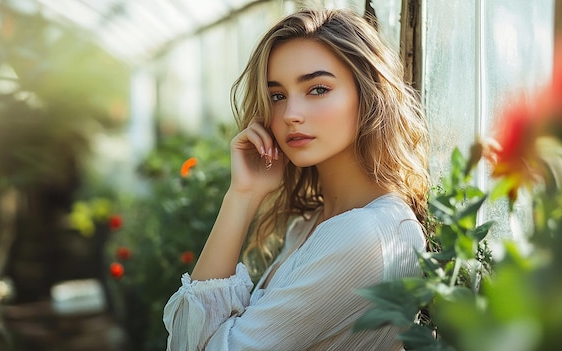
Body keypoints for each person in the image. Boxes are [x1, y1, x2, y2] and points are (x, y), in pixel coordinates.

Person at [163, 8, 430, 351]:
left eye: (318, 89)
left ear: (369, 95)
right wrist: (243, 195)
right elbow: (187, 340)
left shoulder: (367, 234)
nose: (291, 114)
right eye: (277, 96)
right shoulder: (309, 226)